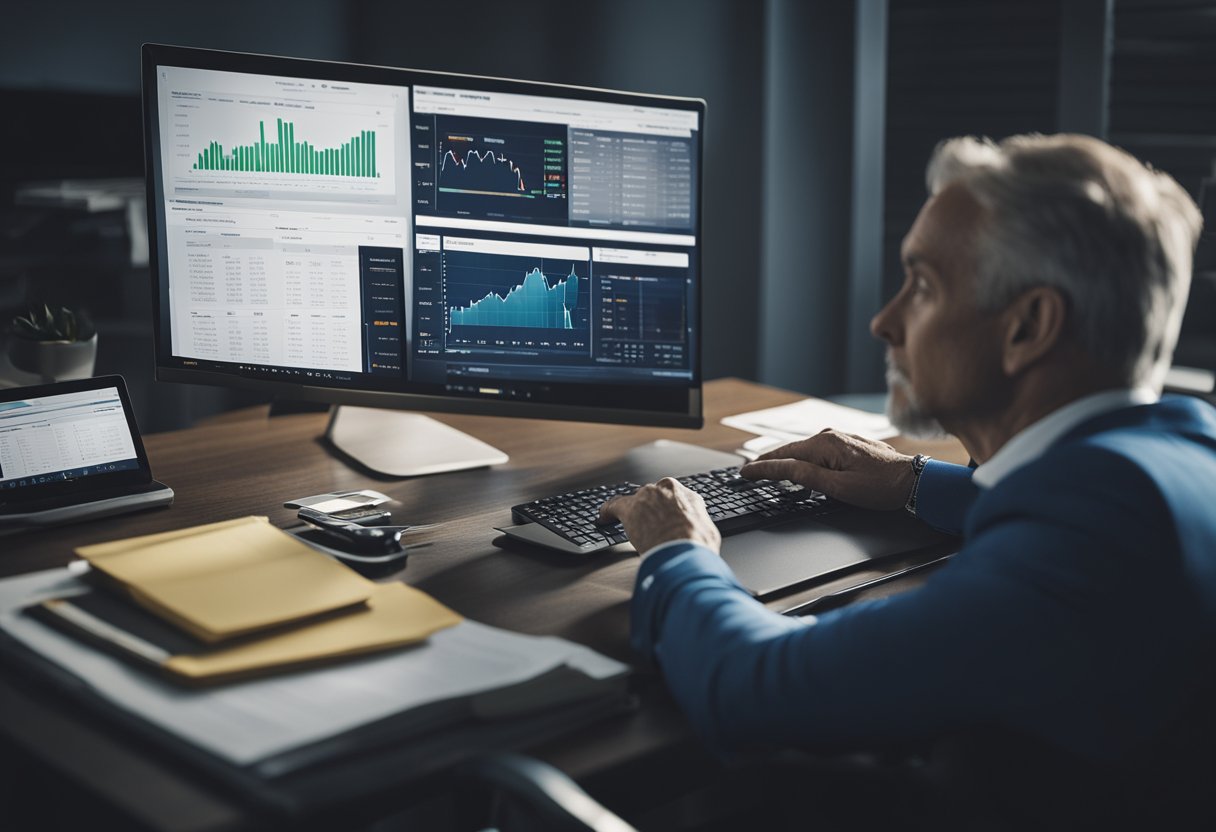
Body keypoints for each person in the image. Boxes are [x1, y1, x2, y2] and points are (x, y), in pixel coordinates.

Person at [601, 133, 1216, 827]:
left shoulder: (1084, 540)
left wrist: (676, 550)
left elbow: (747, 688)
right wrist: (912, 482)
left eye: (923, 285)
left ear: (1029, 327)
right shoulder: (1187, 449)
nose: (885, 321)